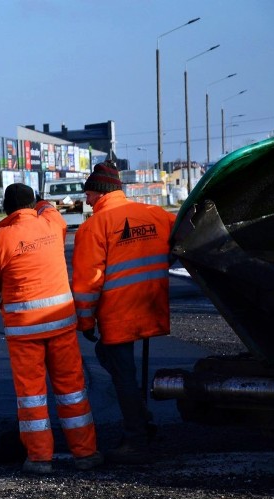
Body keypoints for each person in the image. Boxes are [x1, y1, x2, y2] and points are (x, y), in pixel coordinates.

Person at [0, 183, 102, 474]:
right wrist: (40, 203)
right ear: (34, 205)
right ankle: (85, 454)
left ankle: (40, 458)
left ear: (7, 208)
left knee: (32, 396)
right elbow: (49, 210)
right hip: (61, 325)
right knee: (72, 391)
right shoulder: (52, 223)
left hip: (24, 332)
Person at [71, 161, 176, 464]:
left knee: (123, 375)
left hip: (119, 311)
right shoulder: (155, 214)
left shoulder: (95, 226)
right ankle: (142, 423)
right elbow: (182, 236)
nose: (86, 201)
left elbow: (88, 281)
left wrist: (85, 320)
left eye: (88, 195)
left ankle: (137, 439)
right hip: (151, 302)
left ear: (99, 192)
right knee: (114, 362)